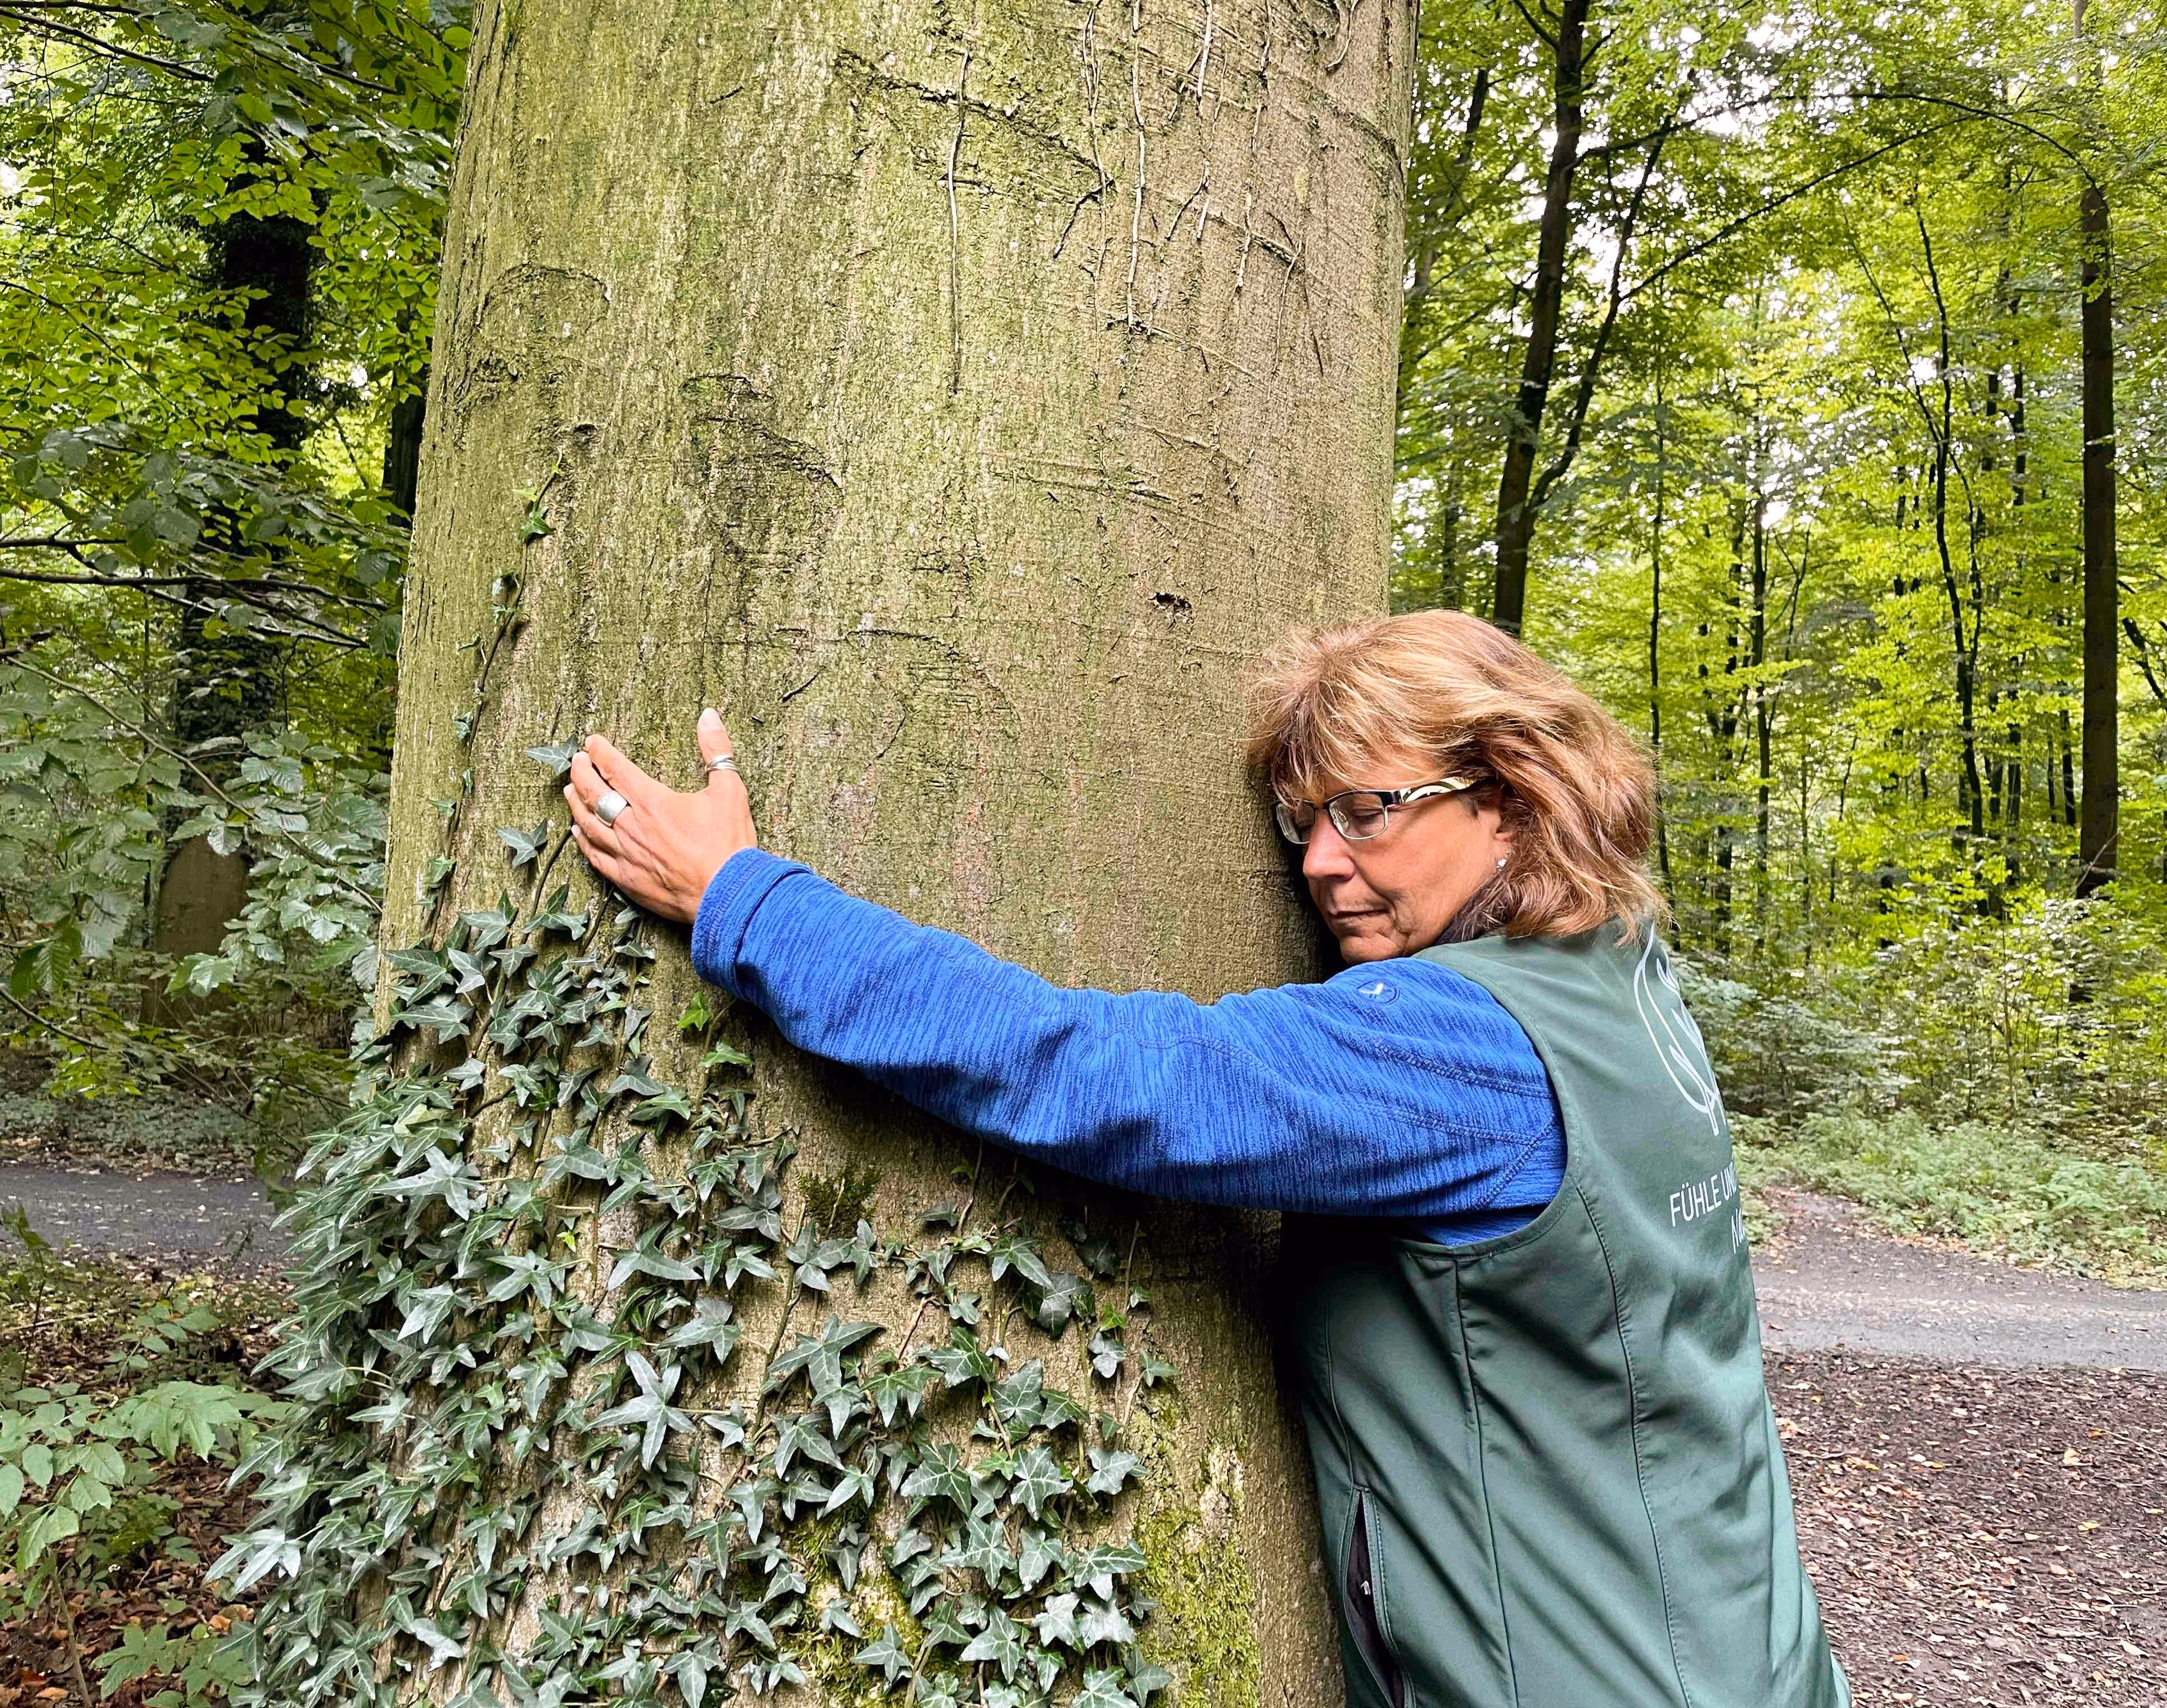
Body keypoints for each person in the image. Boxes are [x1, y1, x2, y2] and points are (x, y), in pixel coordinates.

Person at [561, 609, 1849, 1708]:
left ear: (1512, 798)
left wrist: (744, 899)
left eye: (1367, 811)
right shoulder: (1620, 976)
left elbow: (1114, 1075)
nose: (1324, 864)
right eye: (1305, 823)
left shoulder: (1465, 1045)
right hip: (1754, 1657)